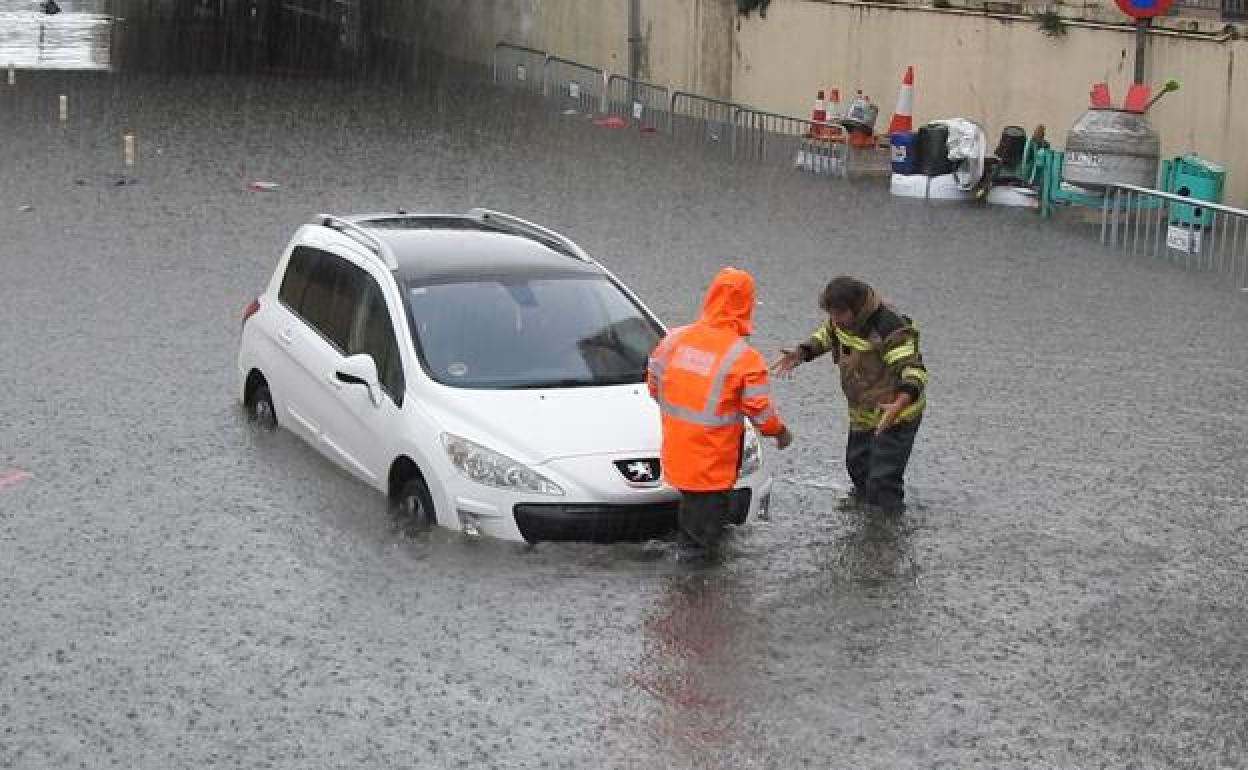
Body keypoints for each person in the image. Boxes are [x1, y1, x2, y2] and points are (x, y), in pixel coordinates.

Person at [647, 267, 793, 552]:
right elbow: (761, 414)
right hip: (713, 463)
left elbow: (654, 384)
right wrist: (781, 434)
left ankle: (688, 582)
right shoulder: (744, 357)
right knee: (703, 543)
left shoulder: (675, 339)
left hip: (678, 453)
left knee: (692, 524)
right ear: (746, 307)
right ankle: (694, 591)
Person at [771, 275, 926, 512]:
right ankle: (867, 511)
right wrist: (801, 353)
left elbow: (913, 371)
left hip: (897, 414)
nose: (835, 320)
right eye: (831, 314)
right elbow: (827, 335)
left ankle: (888, 529)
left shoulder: (890, 329)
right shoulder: (841, 321)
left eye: (840, 314)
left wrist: (898, 406)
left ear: (857, 308)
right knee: (858, 467)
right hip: (863, 411)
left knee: (883, 480)